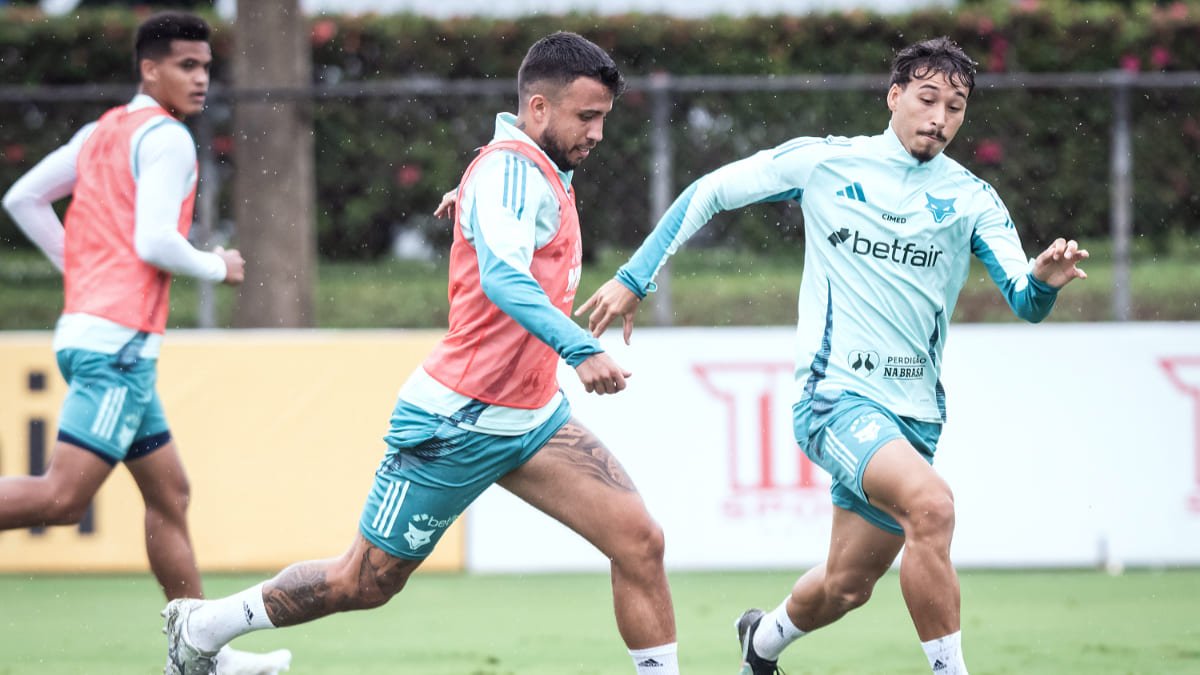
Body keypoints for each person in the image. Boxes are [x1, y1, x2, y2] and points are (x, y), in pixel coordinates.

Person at [160, 31, 679, 675]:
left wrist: (474, 202)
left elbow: (502, 212)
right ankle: (201, 630)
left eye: (603, 117)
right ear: (538, 109)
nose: (598, 133)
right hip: (454, 423)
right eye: (587, 116)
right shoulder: (513, 171)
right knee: (362, 583)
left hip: (530, 417)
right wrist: (580, 349)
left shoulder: (524, 167)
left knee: (639, 541)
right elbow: (504, 279)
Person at [576, 37, 1088, 675]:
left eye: (956, 107)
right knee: (933, 506)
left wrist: (1043, 280)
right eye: (928, 99)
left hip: (916, 417)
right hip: (833, 399)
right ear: (894, 95)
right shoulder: (824, 164)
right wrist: (635, 276)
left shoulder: (974, 199)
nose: (940, 117)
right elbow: (709, 191)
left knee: (847, 586)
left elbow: (1026, 301)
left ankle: (760, 643)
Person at [1, 12, 291, 675]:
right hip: (117, 346)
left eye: (206, 67)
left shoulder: (102, 131)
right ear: (149, 69)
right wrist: (220, 264)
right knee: (61, 497)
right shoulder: (166, 140)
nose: (201, 79)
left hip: (97, 335)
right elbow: (155, 240)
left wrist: (80, 271)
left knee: (170, 494)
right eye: (186, 66)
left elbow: (23, 199)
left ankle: (198, 656)